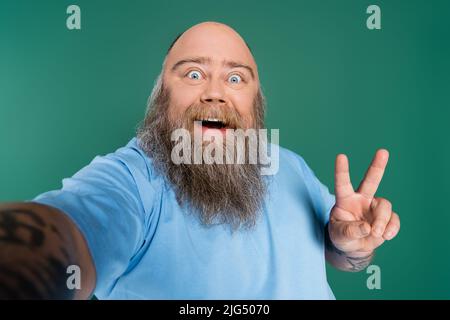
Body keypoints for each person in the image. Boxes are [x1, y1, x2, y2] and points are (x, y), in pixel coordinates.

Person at [0, 21, 400, 299]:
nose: (215, 93)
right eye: (193, 74)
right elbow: (64, 235)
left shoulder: (288, 164)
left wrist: (352, 246)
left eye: (236, 78)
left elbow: (339, 258)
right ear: (162, 98)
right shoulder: (132, 180)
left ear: (256, 102)